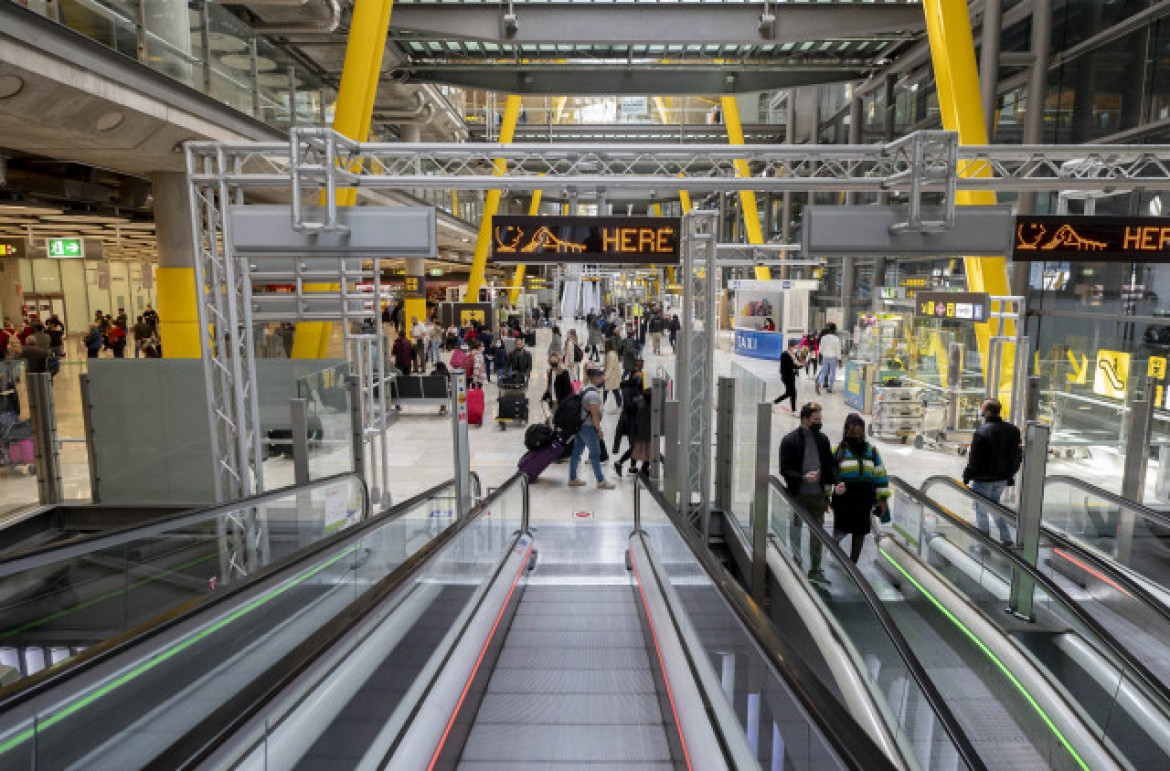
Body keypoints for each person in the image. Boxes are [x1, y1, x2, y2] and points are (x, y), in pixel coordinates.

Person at [779, 402, 837, 584]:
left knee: (817, 534)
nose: (819, 422)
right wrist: (803, 477)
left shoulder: (823, 440)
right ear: (805, 419)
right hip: (798, 496)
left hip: (817, 496)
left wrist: (836, 483)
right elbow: (784, 470)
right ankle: (795, 563)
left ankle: (815, 568)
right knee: (795, 530)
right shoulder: (789, 441)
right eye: (816, 419)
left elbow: (828, 466)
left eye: (820, 419)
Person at [963, 398, 1023, 546]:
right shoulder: (1013, 430)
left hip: (984, 479)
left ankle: (985, 541)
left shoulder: (982, 432)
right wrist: (1010, 474)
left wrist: (967, 475)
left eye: (982, 409)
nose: (980, 411)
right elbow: (1017, 455)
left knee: (981, 509)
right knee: (995, 506)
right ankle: (1006, 537)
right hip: (1002, 478)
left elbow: (975, 458)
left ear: (988, 412)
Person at [831, 414, 890, 563]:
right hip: (844, 499)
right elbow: (828, 474)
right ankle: (835, 555)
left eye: (859, 434)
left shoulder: (872, 451)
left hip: (864, 499)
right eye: (853, 434)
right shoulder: (838, 451)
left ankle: (853, 563)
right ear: (846, 433)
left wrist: (882, 499)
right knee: (840, 530)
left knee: (860, 531)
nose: (856, 437)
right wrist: (826, 496)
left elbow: (880, 475)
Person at [568, 365, 615, 490]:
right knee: (595, 454)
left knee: (576, 453)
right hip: (588, 428)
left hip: (580, 426)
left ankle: (572, 478)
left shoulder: (585, 389)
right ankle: (600, 480)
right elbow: (594, 415)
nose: (603, 379)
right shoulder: (593, 395)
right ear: (594, 378)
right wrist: (599, 430)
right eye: (601, 377)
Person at [773, 340, 800, 411]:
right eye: (795, 347)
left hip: (792, 375)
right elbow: (787, 366)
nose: (796, 348)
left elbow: (796, 364)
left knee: (789, 393)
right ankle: (794, 410)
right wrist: (796, 366)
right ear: (791, 346)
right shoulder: (785, 354)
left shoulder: (795, 354)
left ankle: (774, 402)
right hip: (786, 376)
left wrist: (800, 365)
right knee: (793, 392)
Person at [815, 324, 842, 394]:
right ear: (835, 330)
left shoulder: (824, 338)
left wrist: (822, 354)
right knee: (833, 373)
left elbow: (820, 349)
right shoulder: (837, 339)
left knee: (824, 371)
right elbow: (838, 350)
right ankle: (830, 388)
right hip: (833, 357)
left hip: (825, 357)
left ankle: (819, 382)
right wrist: (839, 360)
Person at [603, 339, 623, 410]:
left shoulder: (611, 354)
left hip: (612, 376)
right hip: (612, 375)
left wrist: (606, 376)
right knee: (614, 390)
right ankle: (619, 404)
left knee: (609, 390)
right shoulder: (610, 353)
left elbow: (610, 366)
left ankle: (604, 404)